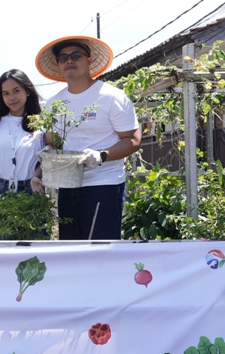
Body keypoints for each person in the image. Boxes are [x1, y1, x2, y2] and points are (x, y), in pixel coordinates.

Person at [34, 35, 141, 240]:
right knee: (71, 249)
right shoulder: (54, 104)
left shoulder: (111, 96)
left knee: (101, 249)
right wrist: (46, 159)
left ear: (89, 60)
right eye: (63, 58)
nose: (70, 61)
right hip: (67, 184)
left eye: (76, 55)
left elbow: (133, 140)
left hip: (104, 183)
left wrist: (101, 155)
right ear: (58, 65)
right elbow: (52, 142)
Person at [0, 69, 45, 239]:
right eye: (6, 93)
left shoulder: (40, 122)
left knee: (32, 246)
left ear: (27, 91)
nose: (11, 98)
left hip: (31, 189)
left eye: (16, 91)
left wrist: (37, 175)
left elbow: (47, 155)